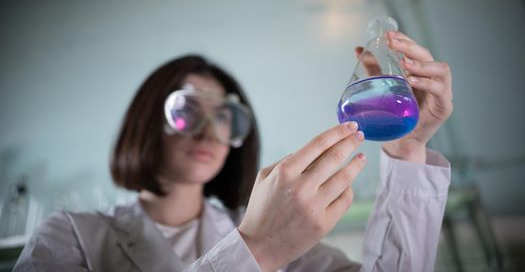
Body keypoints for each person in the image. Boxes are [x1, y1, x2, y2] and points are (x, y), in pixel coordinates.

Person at [14, 31, 453, 272]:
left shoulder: (280, 232)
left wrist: (408, 148)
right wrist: (256, 249)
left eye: (224, 116)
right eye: (188, 109)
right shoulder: (72, 237)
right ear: (147, 120)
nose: (209, 132)